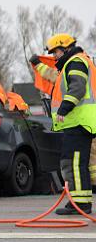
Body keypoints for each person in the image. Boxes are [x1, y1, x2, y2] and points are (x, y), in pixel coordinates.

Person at [41, 34, 96, 214]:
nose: (54, 57)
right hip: (77, 124)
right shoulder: (73, 63)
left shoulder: (76, 62)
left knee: (75, 164)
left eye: (55, 52)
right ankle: (79, 202)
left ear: (64, 48)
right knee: (72, 163)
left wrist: (64, 109)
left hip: (80, 123)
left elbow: (77, 88)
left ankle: (81, 205)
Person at [31, 53, 96, 191]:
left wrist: (38, 64)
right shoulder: (86, 67)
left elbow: (55, 76)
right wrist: (39, 65)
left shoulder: (76, 65)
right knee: (85, 161)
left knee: (82, 161)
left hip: (84, 121)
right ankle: (85, 193)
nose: (55, 56)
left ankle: (83, 196)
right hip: (88, 121)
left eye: (56, 52)